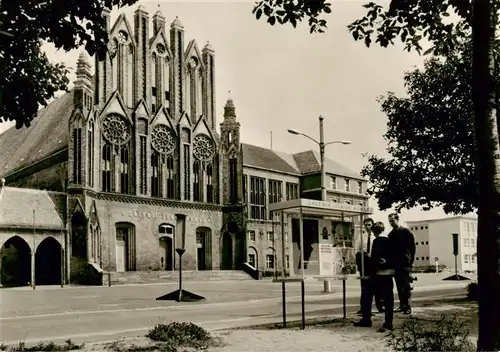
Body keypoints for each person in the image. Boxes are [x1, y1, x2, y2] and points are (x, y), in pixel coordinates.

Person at [353, 221, 395, 331]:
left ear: (374, 232)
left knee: (367, 295)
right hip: (389, 273)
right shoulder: (390, 240)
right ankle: (388, 322)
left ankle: (366, 320)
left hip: (378, 274)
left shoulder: (377, 241)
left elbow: (375, 259)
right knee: (388, 299)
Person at [388, 213, 416, 315]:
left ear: (397, 219)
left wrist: (411, 261)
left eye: (392, 220)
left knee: (406, 286)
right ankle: (402, 305)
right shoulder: (391, 235)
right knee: (399, 286)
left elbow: (412, 248)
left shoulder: (406, 232)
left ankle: (408, 307)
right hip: (396, 264)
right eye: (389, 221)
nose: (391, 223)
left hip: (405, 264)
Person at [354, 218, 384, 315]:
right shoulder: (361, 237)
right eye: (365, 225)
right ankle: (364, 308)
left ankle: (380, 306)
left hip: (375, 264)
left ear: (373, 225)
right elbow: (356, 249)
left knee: (377, 286)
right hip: (365, 264)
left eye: (369, 225)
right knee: (365, 287)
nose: (367, 227)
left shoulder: (377, 237)